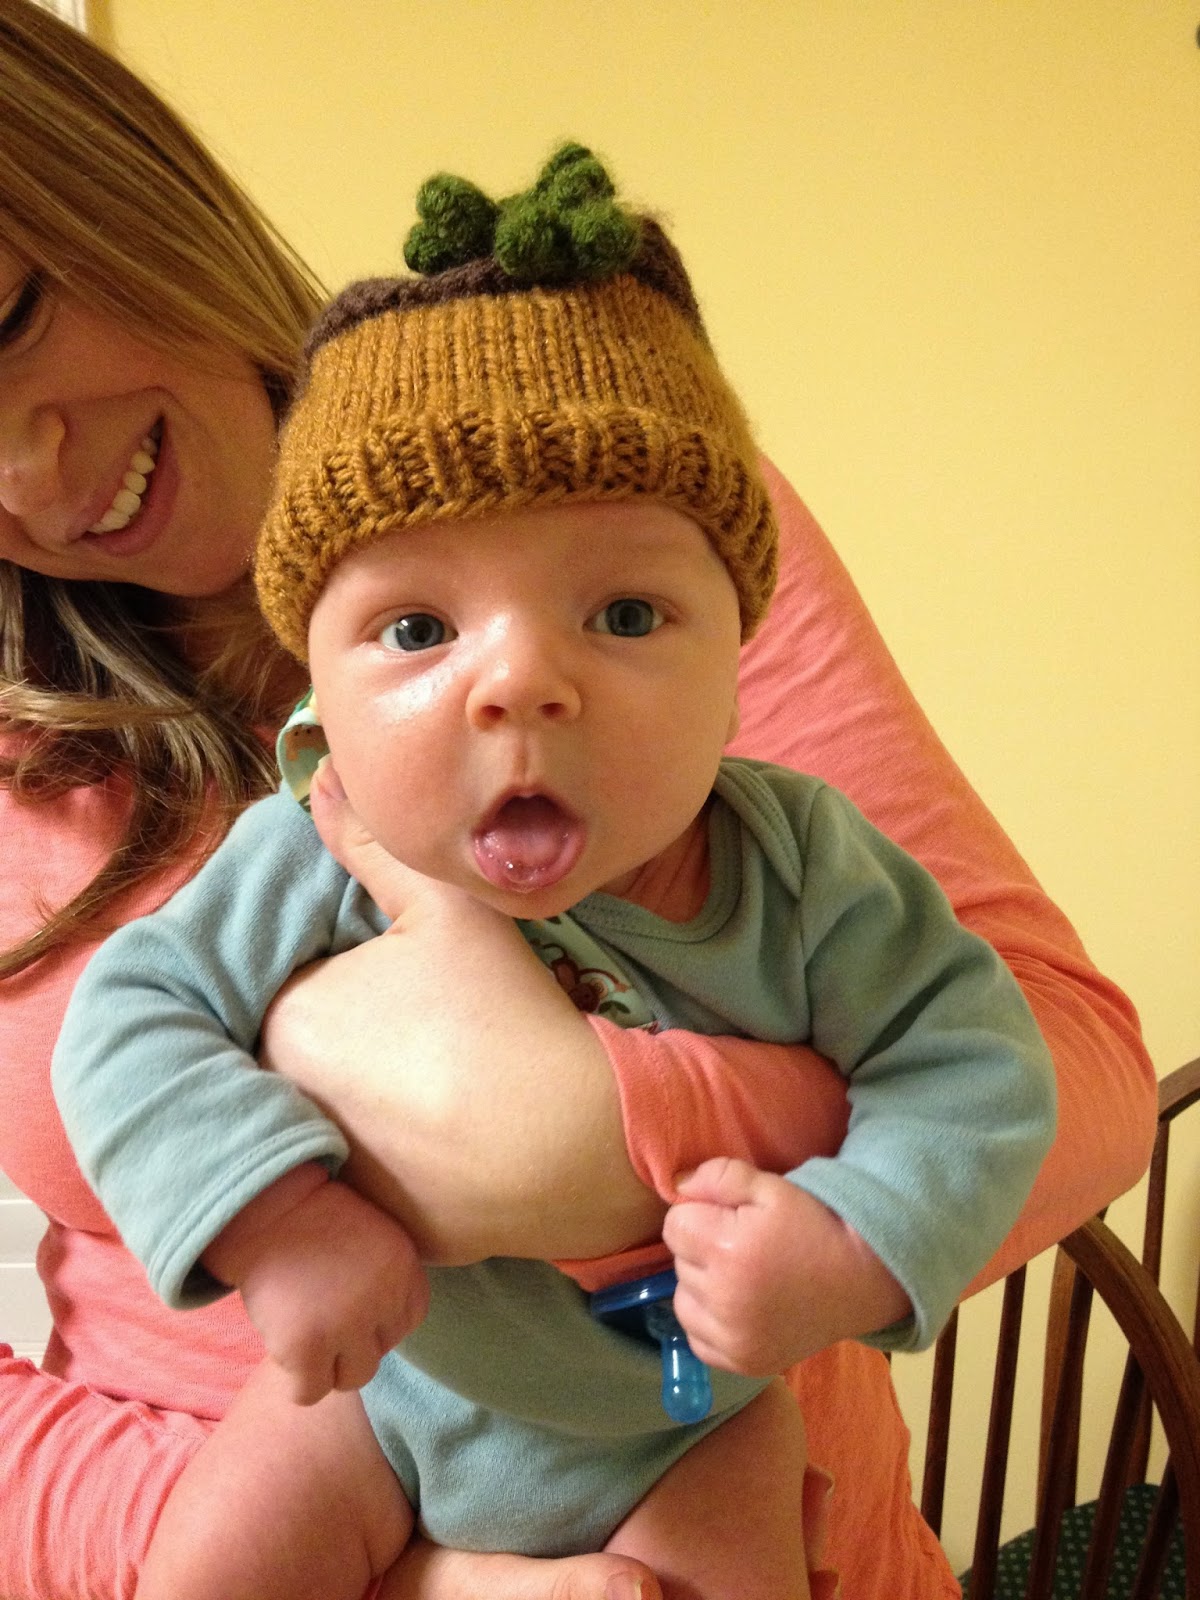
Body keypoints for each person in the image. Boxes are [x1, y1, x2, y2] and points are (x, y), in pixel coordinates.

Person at [0, 4, 1155, 1598]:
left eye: (8, 318)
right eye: (414, 630)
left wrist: (741, 1192)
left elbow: (1007, 1057)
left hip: (687, 1415)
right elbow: (137, 1023)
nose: (518, 683)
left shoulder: (705, 655)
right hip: (366, 1401)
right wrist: (285, 1230)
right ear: (315, 690)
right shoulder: (309, 832)